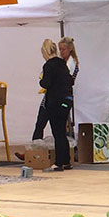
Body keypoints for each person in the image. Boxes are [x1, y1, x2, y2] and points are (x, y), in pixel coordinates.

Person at [36, 38, 77, 171]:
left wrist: (41, 81)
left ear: (45, 52)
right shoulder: (62, 63)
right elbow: (70, 81)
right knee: (62, 132)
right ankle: (66, 161)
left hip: (56, 102)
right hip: (67, 100)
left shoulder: (49, 65)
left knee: (57, 133)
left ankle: (59, 163)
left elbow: (46, 83)